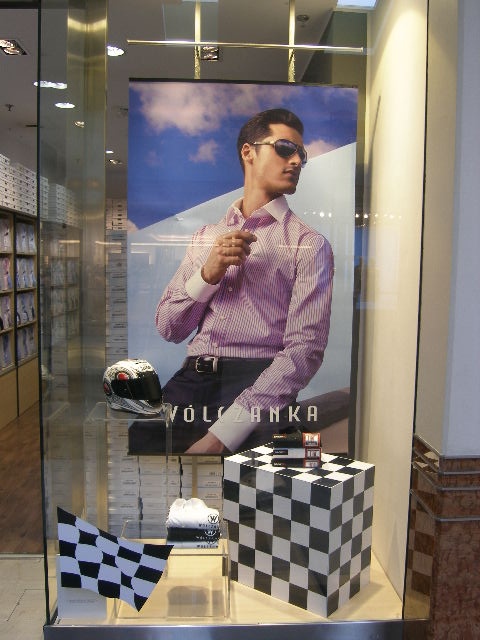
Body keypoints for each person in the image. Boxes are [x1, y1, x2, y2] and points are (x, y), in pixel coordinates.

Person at [155, 108, 334, 454]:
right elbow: (169, 328)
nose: (297, 160)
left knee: (257, 486)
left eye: (302, 154)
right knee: (145, 470)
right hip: (191, 382)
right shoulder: (206, 237)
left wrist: (221, 436)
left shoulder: (308, 244)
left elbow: (304, 350)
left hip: (260, 385)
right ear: (248, 152)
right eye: (285, 148)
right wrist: (207, 275)